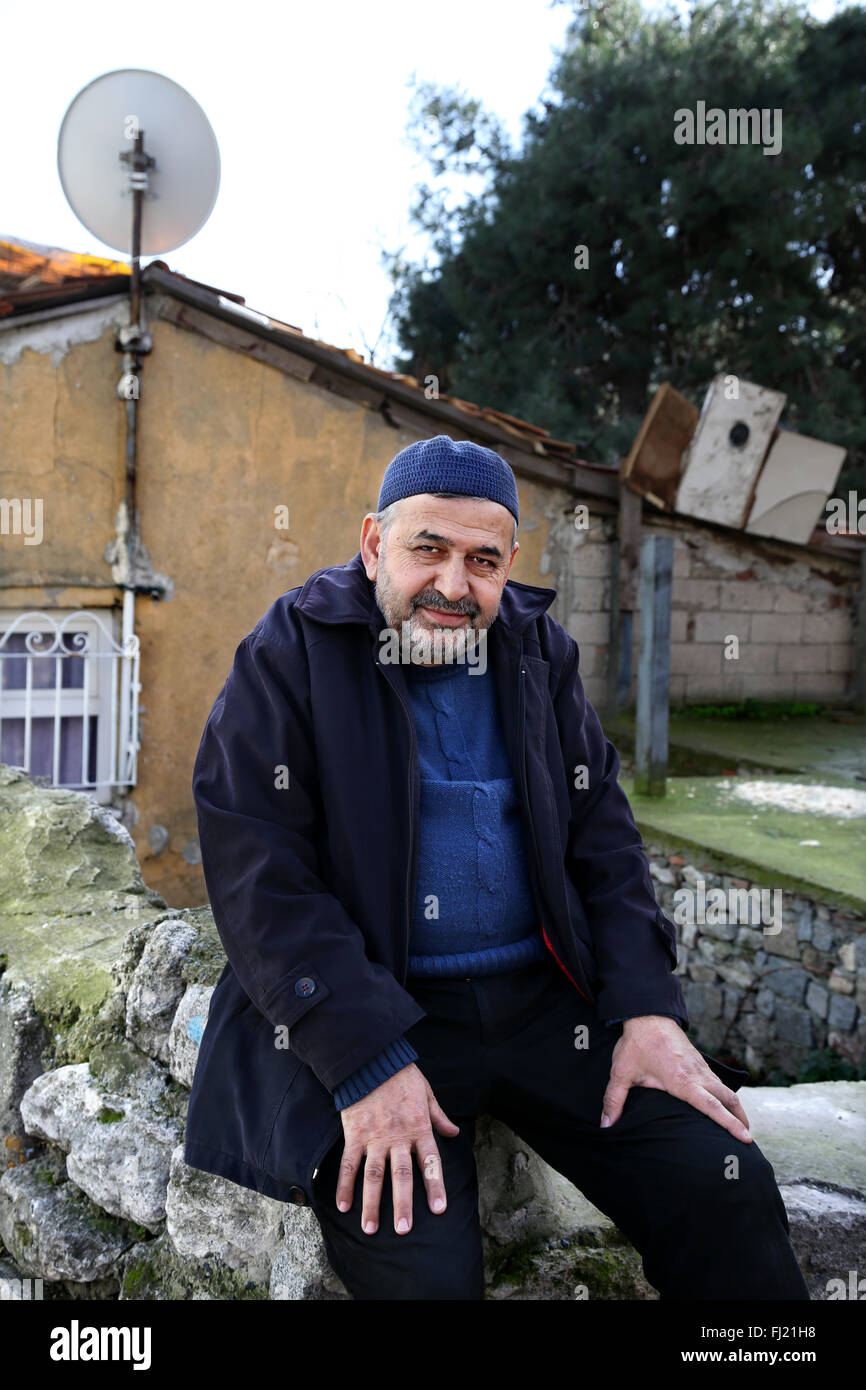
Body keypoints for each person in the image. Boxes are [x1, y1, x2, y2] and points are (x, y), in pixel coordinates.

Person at [184, 434, 808, 1301]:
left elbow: (604, 837)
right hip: (377, 1009)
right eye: (427, 550)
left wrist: (646, 1008)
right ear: (373, 545)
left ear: (510, 563)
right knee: (424, 1277)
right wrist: (363, 1059)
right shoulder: (290, 652)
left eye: (483, 560)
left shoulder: (536, 650)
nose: (453, 586)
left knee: (723, 1187)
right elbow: (258, 871)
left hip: (549, 1007)